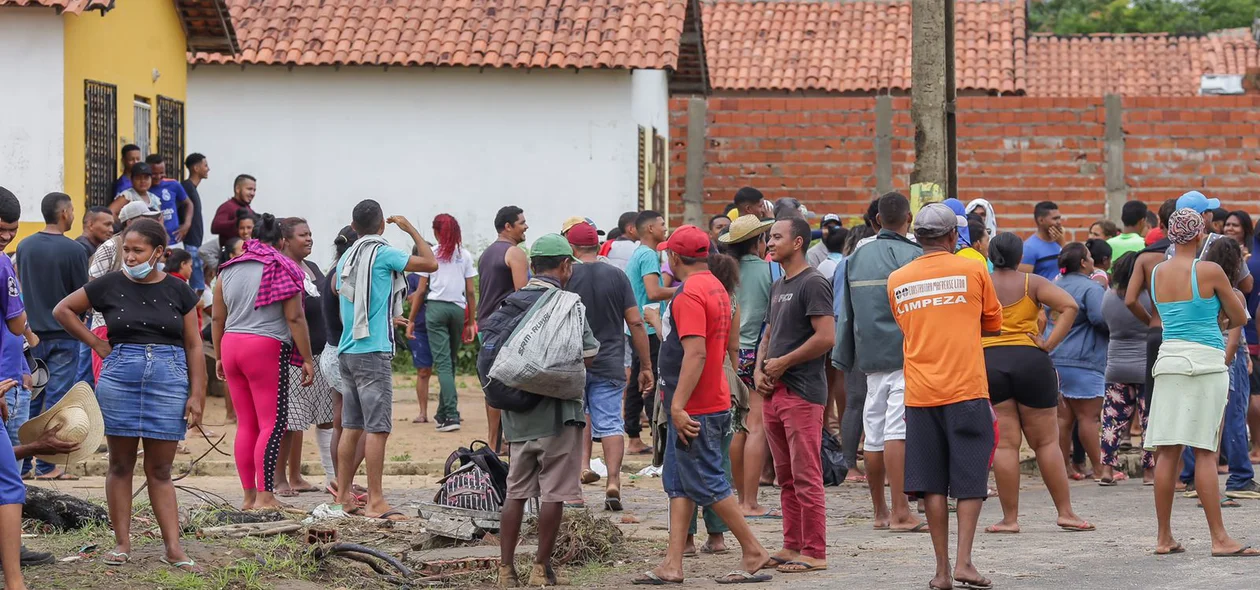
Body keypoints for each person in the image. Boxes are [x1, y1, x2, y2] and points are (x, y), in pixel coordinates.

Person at [52, 218, 205, 573]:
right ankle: (122, 543)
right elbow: (63, 310)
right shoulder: (108, 284)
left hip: (170, 379)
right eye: (127, 250)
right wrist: (97, 344)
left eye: (138, 251)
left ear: (159, 253)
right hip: (120, 377)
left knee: (161, 469)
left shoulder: (180, 290)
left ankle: (173, 548)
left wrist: (197, 394)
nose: (131, 257)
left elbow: (195, 344)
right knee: (120, 465)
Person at [635, 226, 774, 585]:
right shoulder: (715, 286)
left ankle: (754, 550)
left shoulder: (690, 294)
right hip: (708, 398)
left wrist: (678, 407)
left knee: (710, 483)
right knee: (679, 484)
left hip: (695, 405)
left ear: (674, 258)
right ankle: (672, 563)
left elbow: (695, 353)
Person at [886, 203, 1002, 590]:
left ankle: (941, 571)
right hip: (967, 388)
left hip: (920, 393)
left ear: (916, 237)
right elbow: (993, 323)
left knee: (931, 483)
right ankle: (965, 562)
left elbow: (905, 326)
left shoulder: (898, 279)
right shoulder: (973, 268)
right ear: (954, 236)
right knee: (970, 478)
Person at [1143, 208, 1256, 557]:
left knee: (1167, 451)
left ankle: (1164, 537)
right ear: (1199, 235)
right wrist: (1219, 311)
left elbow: (1162, 314)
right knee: (1206, 451)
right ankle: (1219, 538)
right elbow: (1238, 314)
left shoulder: (1157, 271)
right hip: (1206, 361)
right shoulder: (1209, 270)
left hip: (1170, 360)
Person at [496, 233, 599, 588]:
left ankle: (506, 570)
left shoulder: (510, 303)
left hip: (518, 417)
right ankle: (541, 568)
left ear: (534, 265)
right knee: (554, 492)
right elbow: (588, 354)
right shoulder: (569, 304)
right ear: (565, 265)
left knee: (516, 492)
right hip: (558, 417)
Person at [981, 232, 1093, 534]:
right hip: (1031, 359)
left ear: (991, 255)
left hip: (989, 361)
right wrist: (1049, 343)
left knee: (1005, 445)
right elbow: (1070, 306)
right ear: (1020, 256)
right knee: (1046, 442)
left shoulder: (981, 282)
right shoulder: (1034, 283)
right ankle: (1066, 513)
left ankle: (1010, 519)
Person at [333, 201, 437, 519]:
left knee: (352, 426)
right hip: (372, 350)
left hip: (347, 350)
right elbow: (430, 264)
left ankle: (343, 497)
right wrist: (410, 229)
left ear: (353, 226)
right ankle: (376, 501)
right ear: (381, 226)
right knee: (377, 429)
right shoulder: (383, 253)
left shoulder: (346, 258)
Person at [834, 192, 925, 532]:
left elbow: (847, 314)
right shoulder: (917, 256)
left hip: (869, 360)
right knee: (896, 432)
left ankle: (880, 512)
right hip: (908, 355)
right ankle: (902, 512)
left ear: (875, 221)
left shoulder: (855, 257)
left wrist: (844, 357)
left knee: (873, 435)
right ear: (909, 220)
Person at [213, 213, 316, 510]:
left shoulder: (228, 269)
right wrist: (307, 358)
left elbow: (219, 316)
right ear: (281, 241)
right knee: (271, 423)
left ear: (252, 239)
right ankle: (265, 496)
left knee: (246, 424)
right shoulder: (282, 266)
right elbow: (295, 317)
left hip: (231, 344)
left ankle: (248, 497)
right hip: (264, 347)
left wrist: (219, 354)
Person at [755, 216, 834, 574]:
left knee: (806, 475)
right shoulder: (778, 285)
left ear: (798, 242)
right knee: (785, 477)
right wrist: (760, 369)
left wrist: (783, 363)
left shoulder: (813, 282)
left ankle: (815, 551)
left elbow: (825, 337)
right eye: (769, 238)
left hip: (803, 393)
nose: (770, 243)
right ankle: (791, 544)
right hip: (774, 391)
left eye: (776, 237)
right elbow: (769, 334)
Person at [565, 222, 652, 511]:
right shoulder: (617, 276)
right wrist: (646, 365)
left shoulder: (566, 275)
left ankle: (576, 483)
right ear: (597, 245)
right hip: (611, 361)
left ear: (571, 247)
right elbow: (636, 322)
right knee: (611, 422)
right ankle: (613, 481)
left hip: (572, 362)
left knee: (576, 419)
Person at [1177, 239, 1260, 499]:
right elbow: (1234, 339)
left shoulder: (1197, 291)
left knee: (1198, 425)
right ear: (1236, 264)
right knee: (1224, 425)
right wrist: (1225, 366)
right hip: (1222, 363)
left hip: (1196, 358)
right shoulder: (1233, 295)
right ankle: (1233, 482)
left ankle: (1193, 480)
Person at [15, 192, 88, 481]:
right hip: (65, 334)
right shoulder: (74, 251)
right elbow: (82, 294)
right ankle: (48, 466)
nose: (72, 215)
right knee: (57, 401)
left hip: (31, 334)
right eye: (71, 210)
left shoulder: (24, 245)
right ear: (64, 213)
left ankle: (23, 462)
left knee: (31, 397)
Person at [719, 215, 777, 517]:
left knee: (736, 427)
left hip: (728, 354)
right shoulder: (771, 270)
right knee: (756, 426)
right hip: (756, 355)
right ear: (758, 242)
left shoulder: (725, 272)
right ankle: (750, 501)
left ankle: (735, 495)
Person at [273, 218, 336, 497]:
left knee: (322, 417)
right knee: (290, 421)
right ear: (285, 240)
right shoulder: (282, 270)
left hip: (320, 353)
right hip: (294, 356)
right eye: (302, 235)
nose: (309, 239)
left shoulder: (312, 268)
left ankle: (298, 475)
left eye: (310, 233)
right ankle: (279, 479)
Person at [411, 214, 476, 433]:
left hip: (436, 309)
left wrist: (411, 320)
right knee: (450, 362)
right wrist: (471, 321)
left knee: (444, 364)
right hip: (457, 310)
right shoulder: (464, 255)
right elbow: (470, 291)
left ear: (437, 232)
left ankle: (451, 415)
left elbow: (421, 290)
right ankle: (442, 412)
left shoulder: (431, 254)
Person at [1050, 243, 1108, 481]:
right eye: (1090, 257)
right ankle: (1100, 469)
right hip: (1085, 359)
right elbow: (1100, 319)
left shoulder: (1053, 285)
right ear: (1084, 263)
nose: (1092, 260)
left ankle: (1063, 468)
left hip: (1055, 358)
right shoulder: (1091, 288)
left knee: (1063, 418)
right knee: (1089, 417)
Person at [1098, 253, 1155, 486]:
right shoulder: (1149, 299)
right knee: (1149, 421)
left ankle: (1106, 471)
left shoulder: (1107, 298)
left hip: (1116, 366)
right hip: (1145, 366)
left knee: (1111, 421)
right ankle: (1150, 473)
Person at [624, 210, 677, 455]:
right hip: (647, 326)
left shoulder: (641, 253)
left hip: (638, 326)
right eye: (662, 223)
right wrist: (687, 289)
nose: (665, 228)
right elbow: (654, 292)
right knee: (652, 381)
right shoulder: (647, 255)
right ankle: (658, 438)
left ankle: (634, 435)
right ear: (650, 229)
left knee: (638, 379)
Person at [477, 206, 529, 450]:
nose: (525, 226)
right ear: (508, 226)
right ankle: (506, 440)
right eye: (521, 222)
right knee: (509, 384)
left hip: (486, 326)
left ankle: (494, 441)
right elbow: (523, 295)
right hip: (506, 328)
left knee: (492, 385)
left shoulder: (486, 254)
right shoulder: (514, 253)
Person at [403, 260, 433, 424]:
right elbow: (409, 298)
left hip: (440, 327)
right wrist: (424, 286)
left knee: (445, 369)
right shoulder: (413, 278)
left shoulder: (439, 275)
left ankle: (448, 411)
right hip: (420, 329)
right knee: (423, 371)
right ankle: (423, 412)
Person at [145, 155, 192, 248]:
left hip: (175, 241)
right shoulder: (143, 189)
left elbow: (189, 203)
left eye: (161, 173)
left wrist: (187, 224)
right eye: (154, 173)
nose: (158, 176)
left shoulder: (173, 184)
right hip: (153, 243)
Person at [180, 153, 209, 293]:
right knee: (197, 286)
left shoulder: (192, 188)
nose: (208, 169)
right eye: (205, 165)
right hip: (190, 242)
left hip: (195, 242)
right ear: (196, 168)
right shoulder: (186, 187)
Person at [1019, 201, 1065, 280]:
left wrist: (1062, 245)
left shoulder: (1060, 242)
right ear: (1041, 221)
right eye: (1055, 219)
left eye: (1059, 218)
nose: (1059, 222)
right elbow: (1025, 282)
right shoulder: (1029, 248)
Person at [210, 174, 256, 248]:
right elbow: (215, 227)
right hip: (231, 256)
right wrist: (238, 222)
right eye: (249, 189)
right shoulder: (227, 207)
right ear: (237, 189)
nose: (252, 193)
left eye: (254, 190)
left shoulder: (247, 208)